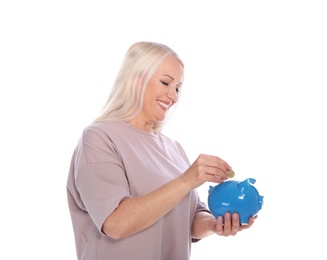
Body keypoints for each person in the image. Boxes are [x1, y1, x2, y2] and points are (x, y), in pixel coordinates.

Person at [66, 41, 257, 260]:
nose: (173, 96)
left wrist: (216, 224)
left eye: (178, 88)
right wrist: (186, 180)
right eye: (166, 83)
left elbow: (190, 219)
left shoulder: (174, 149)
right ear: (136, 79)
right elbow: (115, 223)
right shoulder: (99, 137)